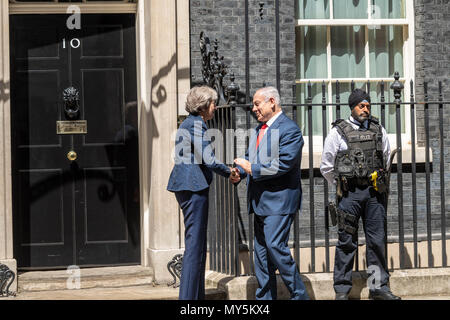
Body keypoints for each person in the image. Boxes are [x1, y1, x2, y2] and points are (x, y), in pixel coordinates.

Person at [320, 88, 401, 300]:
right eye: (361, 106)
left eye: (367, 105)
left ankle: (378, 288)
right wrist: (341, 186)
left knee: (376, 241)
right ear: (352, 107)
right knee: (346, 242)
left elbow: (385, 158)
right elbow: (327, 167)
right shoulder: (337, 132)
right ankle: (342, 291)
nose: (365, 109)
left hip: (374, 194)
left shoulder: (378, 129)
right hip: (349, 195)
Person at [233, 86, 309, 300]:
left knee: (276, 247)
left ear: (272, 102)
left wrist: (251, 169)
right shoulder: (260, 129)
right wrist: (238, 172)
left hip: (280, 201)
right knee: (262, 255)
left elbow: (283, 164)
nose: (253, 108)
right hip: (260, 202)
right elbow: (250, 156)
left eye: (257, 104)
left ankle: (300, 296)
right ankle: (264, 300)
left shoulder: (290, 130)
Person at [167, 86, 238, 300]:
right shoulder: (196, 124)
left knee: (197, 247)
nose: (215, 107)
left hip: (189, 186)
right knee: (194, 248)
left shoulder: (189, 123)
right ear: (204, 105)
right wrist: (230, 172)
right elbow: (210, 160)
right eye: (213, 103)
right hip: (193, 188)